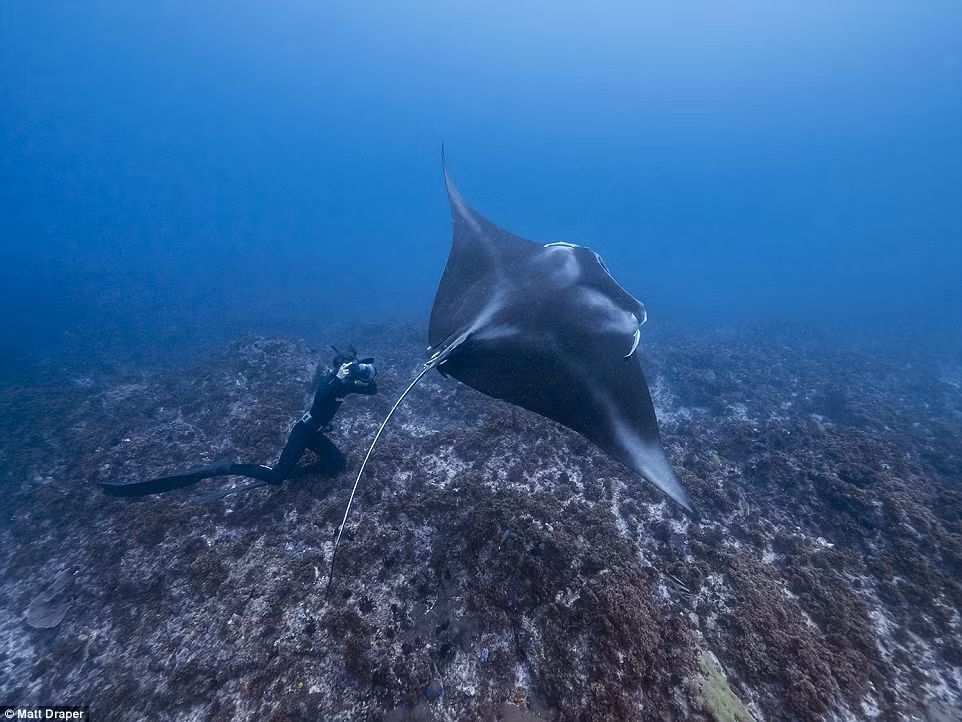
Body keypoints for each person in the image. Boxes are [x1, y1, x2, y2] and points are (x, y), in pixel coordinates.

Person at [99, 347, 377, 501]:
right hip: (303, 432)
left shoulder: (346, 385)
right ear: (337, 370)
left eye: (352, 368)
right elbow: (323, 397)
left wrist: (366, 371)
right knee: (277, 478)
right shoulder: (330, 383)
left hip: (314, 434)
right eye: (348, 368)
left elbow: (372, 390)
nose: (351, 372)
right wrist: (339, 377)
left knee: (337, 463)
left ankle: (297, 470)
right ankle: (225, 466)